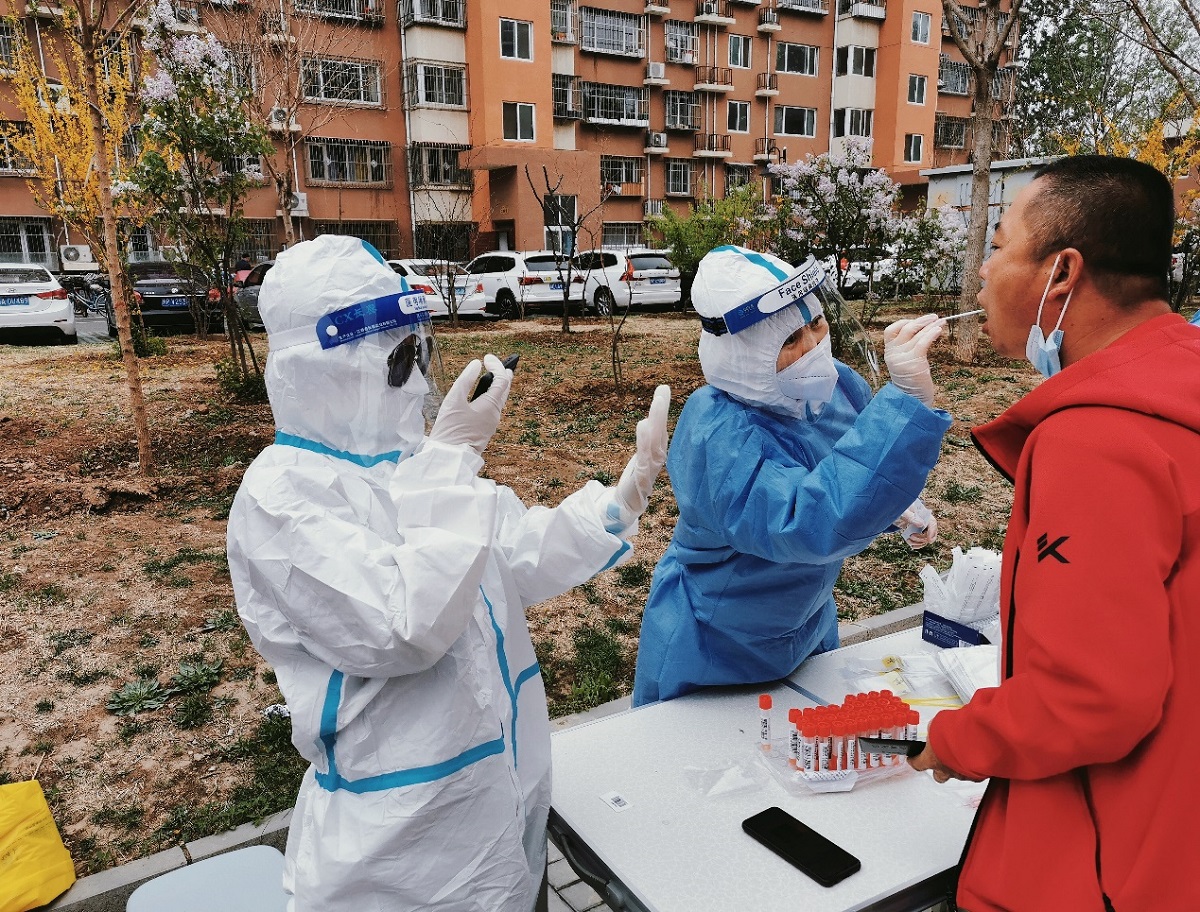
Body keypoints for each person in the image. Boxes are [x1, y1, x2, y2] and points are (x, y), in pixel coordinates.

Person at [226, 235, 671, 912]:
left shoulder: (409, 461)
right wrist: (449, 461)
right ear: (322, 368)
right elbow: (404, 628)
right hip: (400, 863)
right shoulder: (281, 499)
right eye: (399, 359)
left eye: (420, 351)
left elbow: (509, 555)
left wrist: (617, 504)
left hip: (500, 816)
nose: (419, 382)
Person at [909, 156, 1200, 911]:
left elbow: (1092, 697)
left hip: (1111, 868)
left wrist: (962, 739)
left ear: (1061, 273)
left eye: (999, 245)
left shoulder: (1095, 439)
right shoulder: (1180, 387)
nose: (983, 270)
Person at [632, 246, 951, 706]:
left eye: (817, 323)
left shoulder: (835, 386)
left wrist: (896, 505)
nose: (813, 348)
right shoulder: (717, 431)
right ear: (742, 355)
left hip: (805, 622)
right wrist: (904, 406)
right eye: (789, 341)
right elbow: (802, 522)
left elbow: (853, 461)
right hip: (716, 643)